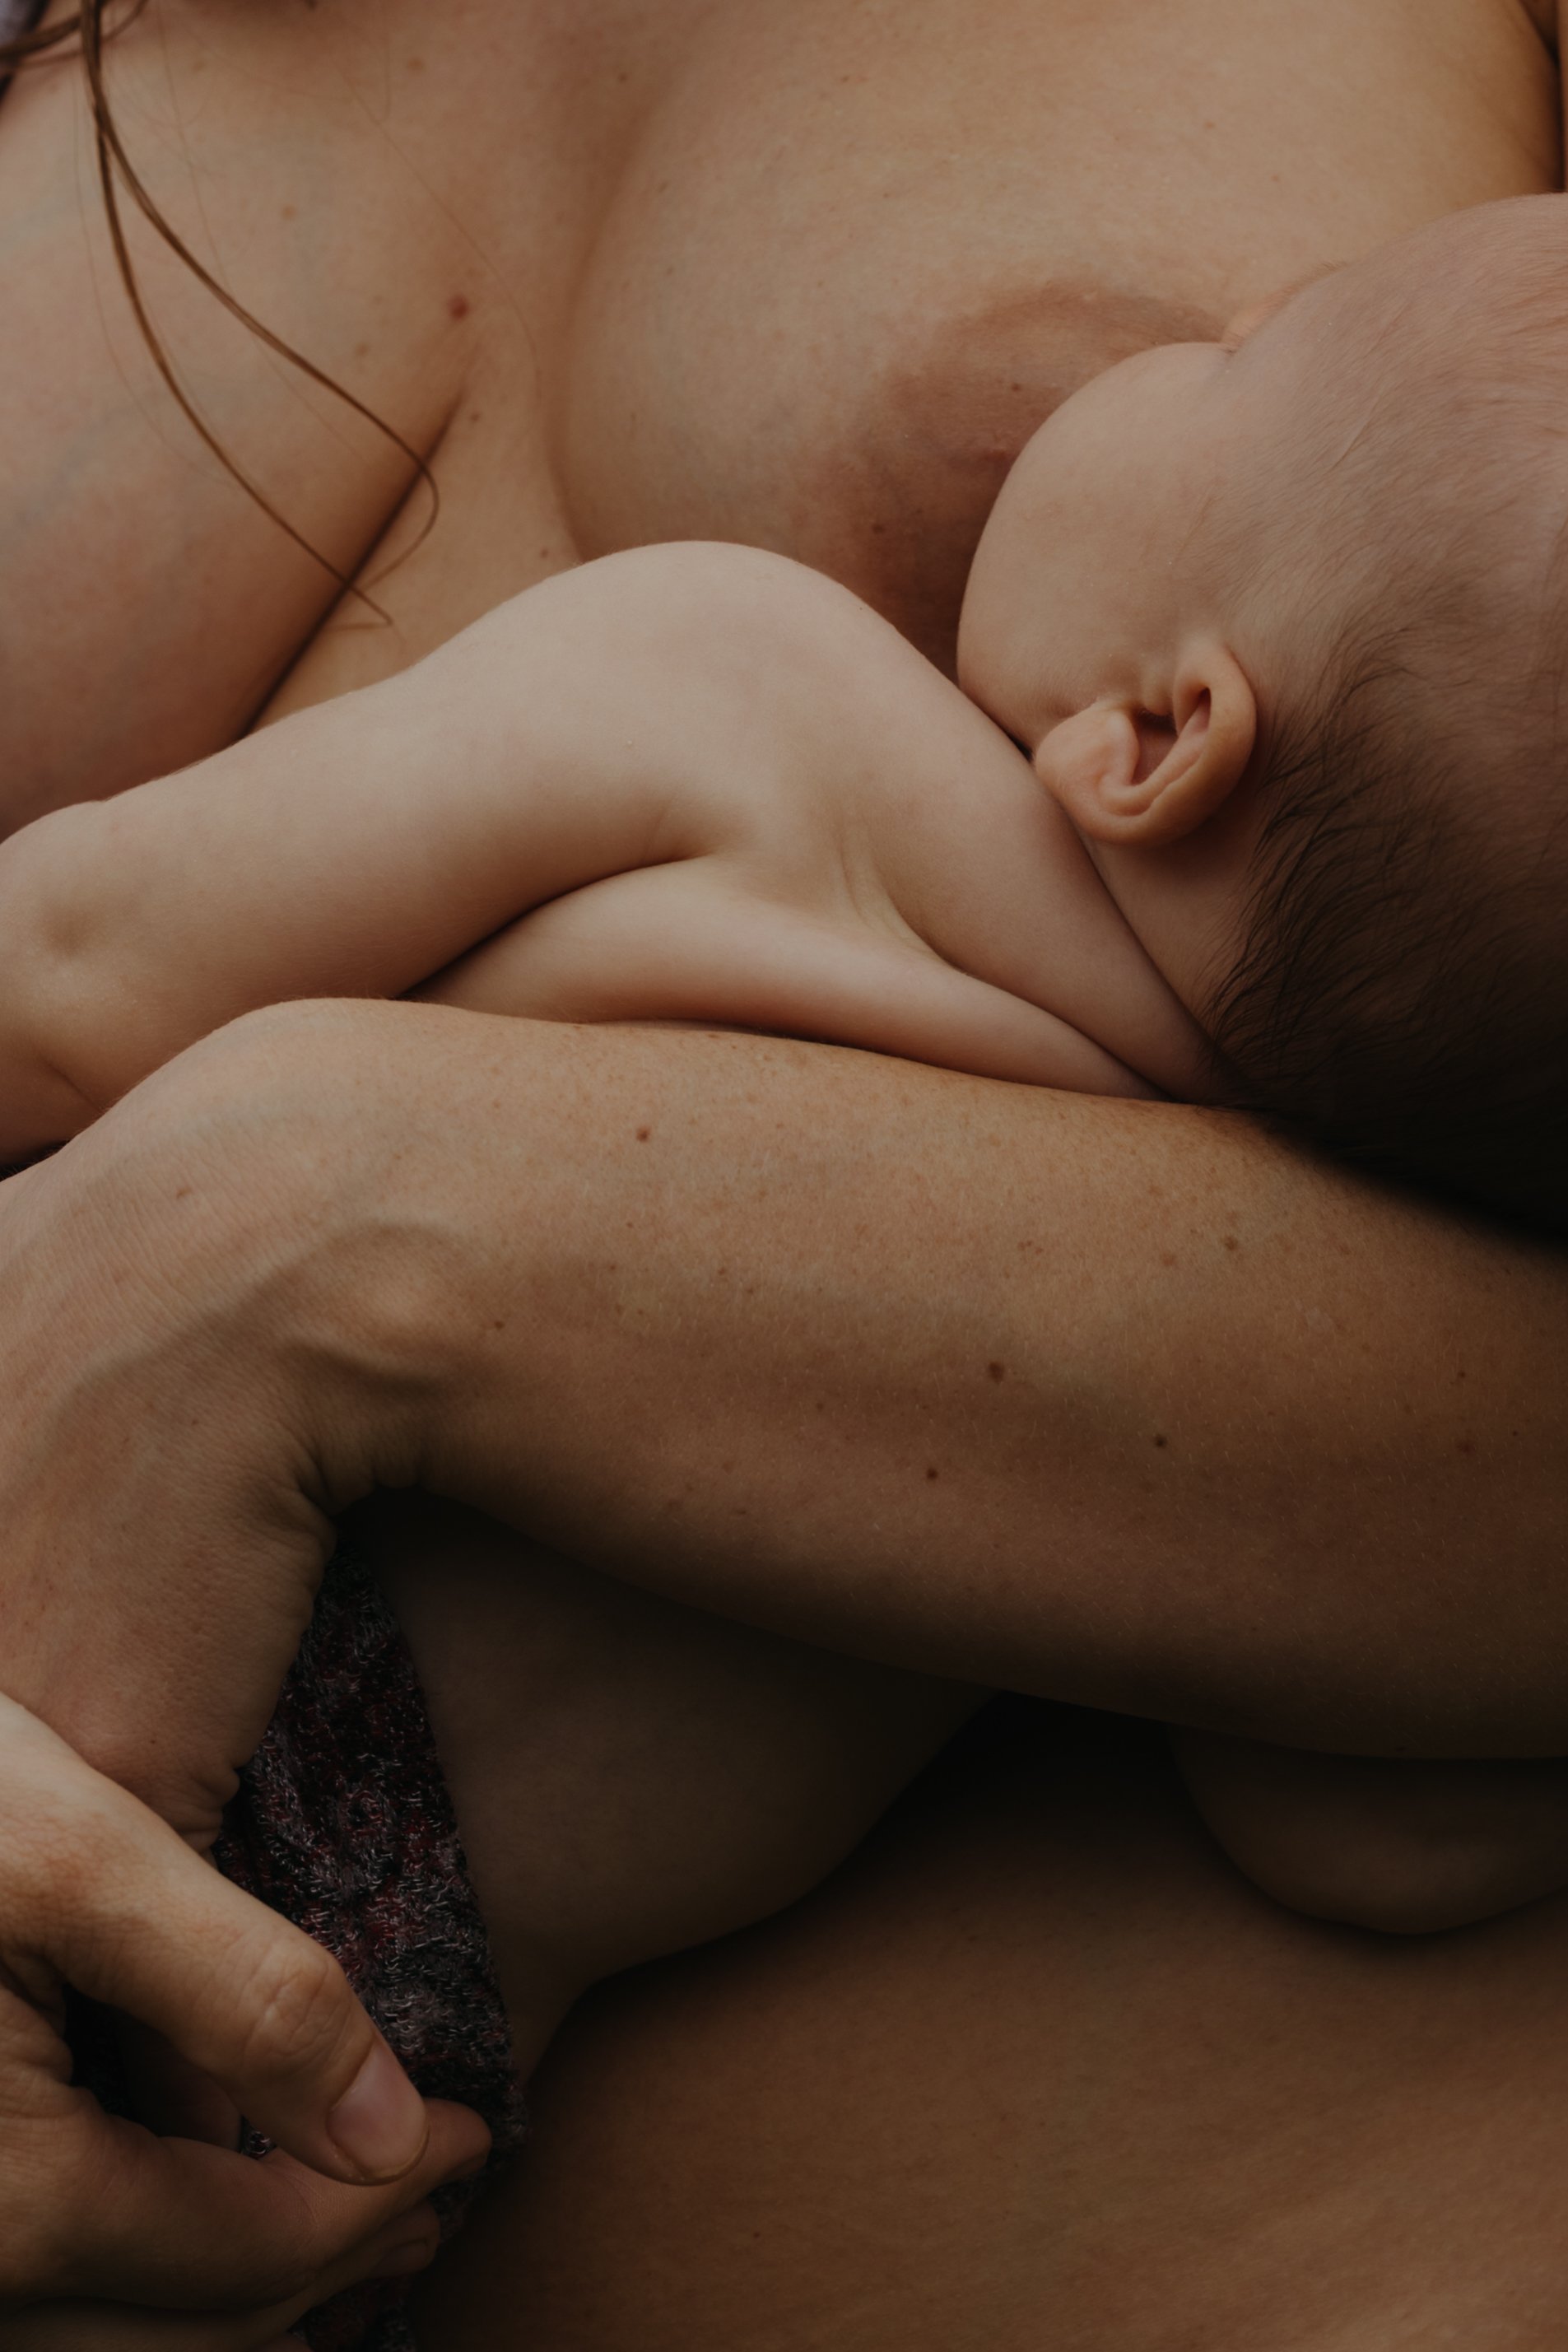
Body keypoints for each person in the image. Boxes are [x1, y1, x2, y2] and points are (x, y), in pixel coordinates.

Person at [2, 0, 1568, 2342]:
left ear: (1160, 738)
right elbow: (1380, 1819)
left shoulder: (750, 708)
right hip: (334, 2065)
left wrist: (334, 1223)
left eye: (1236, 361)